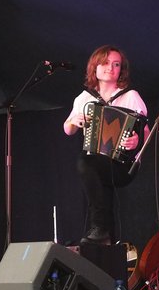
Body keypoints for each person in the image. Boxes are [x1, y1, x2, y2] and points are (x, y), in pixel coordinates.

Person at [64, 45, 150, 245]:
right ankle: (105, 239)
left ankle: (100, 227)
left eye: (116, 64)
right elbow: (67, 129)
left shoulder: (130, 96)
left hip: (123, 164)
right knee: (94, 173)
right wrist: (74, 120)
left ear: (122, 70)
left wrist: (137, 141)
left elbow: (145, 130)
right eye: (105, 63)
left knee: (85, 163)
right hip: (98, 163)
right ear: (94, 67)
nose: (110, 67)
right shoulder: (84, 99)